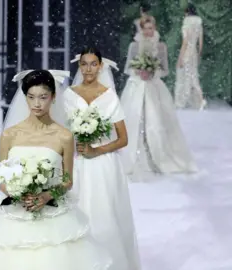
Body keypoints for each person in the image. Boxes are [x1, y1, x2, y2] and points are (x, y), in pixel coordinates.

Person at [0, 70, 112, 270]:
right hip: (16, 214)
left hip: (53, 215)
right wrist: (16, 194)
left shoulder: (64, 136)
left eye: (43, 97)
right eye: (31, 97)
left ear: (53, 98)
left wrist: (46, 196)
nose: (37, 103)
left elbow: (67, 180)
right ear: (25, 98)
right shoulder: (9, 135)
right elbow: (0, 176)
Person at [64, 47, 141, 270]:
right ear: (79, 66)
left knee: (104, 216)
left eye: (93, 64)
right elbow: (62, 130)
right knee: (77, 213)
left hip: (104, 165)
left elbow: (123, 138)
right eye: (84, 64)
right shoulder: (69, 95)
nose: (88, 69)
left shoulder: (109, 96)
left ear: (100, 66)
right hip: (77, 162)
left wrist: (98, 150)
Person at [120, 16, 198, 179]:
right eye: (145, 28)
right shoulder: (134, 45)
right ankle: (136, 155)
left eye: (151, 28)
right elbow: (128, 68)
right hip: (136, 86)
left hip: (154, 87)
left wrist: (152, 72)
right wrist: (139, 72)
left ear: (155, 28)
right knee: (135, 121)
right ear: (141, 29)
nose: (148, 31)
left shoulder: (161, 46)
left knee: (155, 122)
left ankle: (158, 156)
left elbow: (165, 69)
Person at [174, 3, 206, 110]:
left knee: (185, 77)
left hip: (187, 52)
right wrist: (199, 53)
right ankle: (201, 101)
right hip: (194, 53)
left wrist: (180, 58)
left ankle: (182, 101)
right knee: (194, 77)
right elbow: (200, 42)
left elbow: (185, 41)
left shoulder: (186, 23)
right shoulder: (199, 23)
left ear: (186, 12)